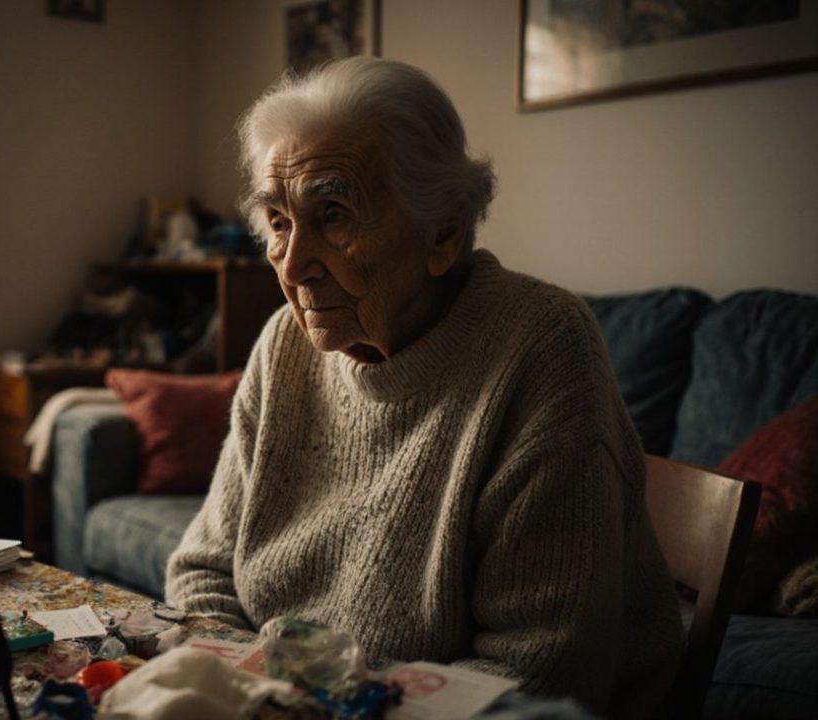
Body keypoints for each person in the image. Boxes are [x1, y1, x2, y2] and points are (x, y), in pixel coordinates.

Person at [164, 57, 682, 719]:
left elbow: (539, 674)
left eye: (332, 214)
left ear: (442, 229)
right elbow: (202, 570)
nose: (294, 267)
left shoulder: (541, 347)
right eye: (278, 221)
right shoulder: (282, 346)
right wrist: (249, 694)